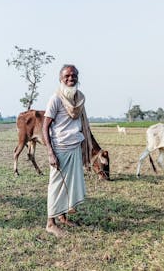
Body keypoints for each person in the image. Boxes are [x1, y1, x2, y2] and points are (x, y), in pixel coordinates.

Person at [42, 64, 93, 238]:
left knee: (69, 185)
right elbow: (45, 127)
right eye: (67, 76)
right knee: (56, 185)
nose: (71, 79)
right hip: (60, 148)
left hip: (74, 147)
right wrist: (50, 152)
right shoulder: (55, 99)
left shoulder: (79, 99)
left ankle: (63, 217)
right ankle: (50, 223)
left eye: (74, 76)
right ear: (60, 79)